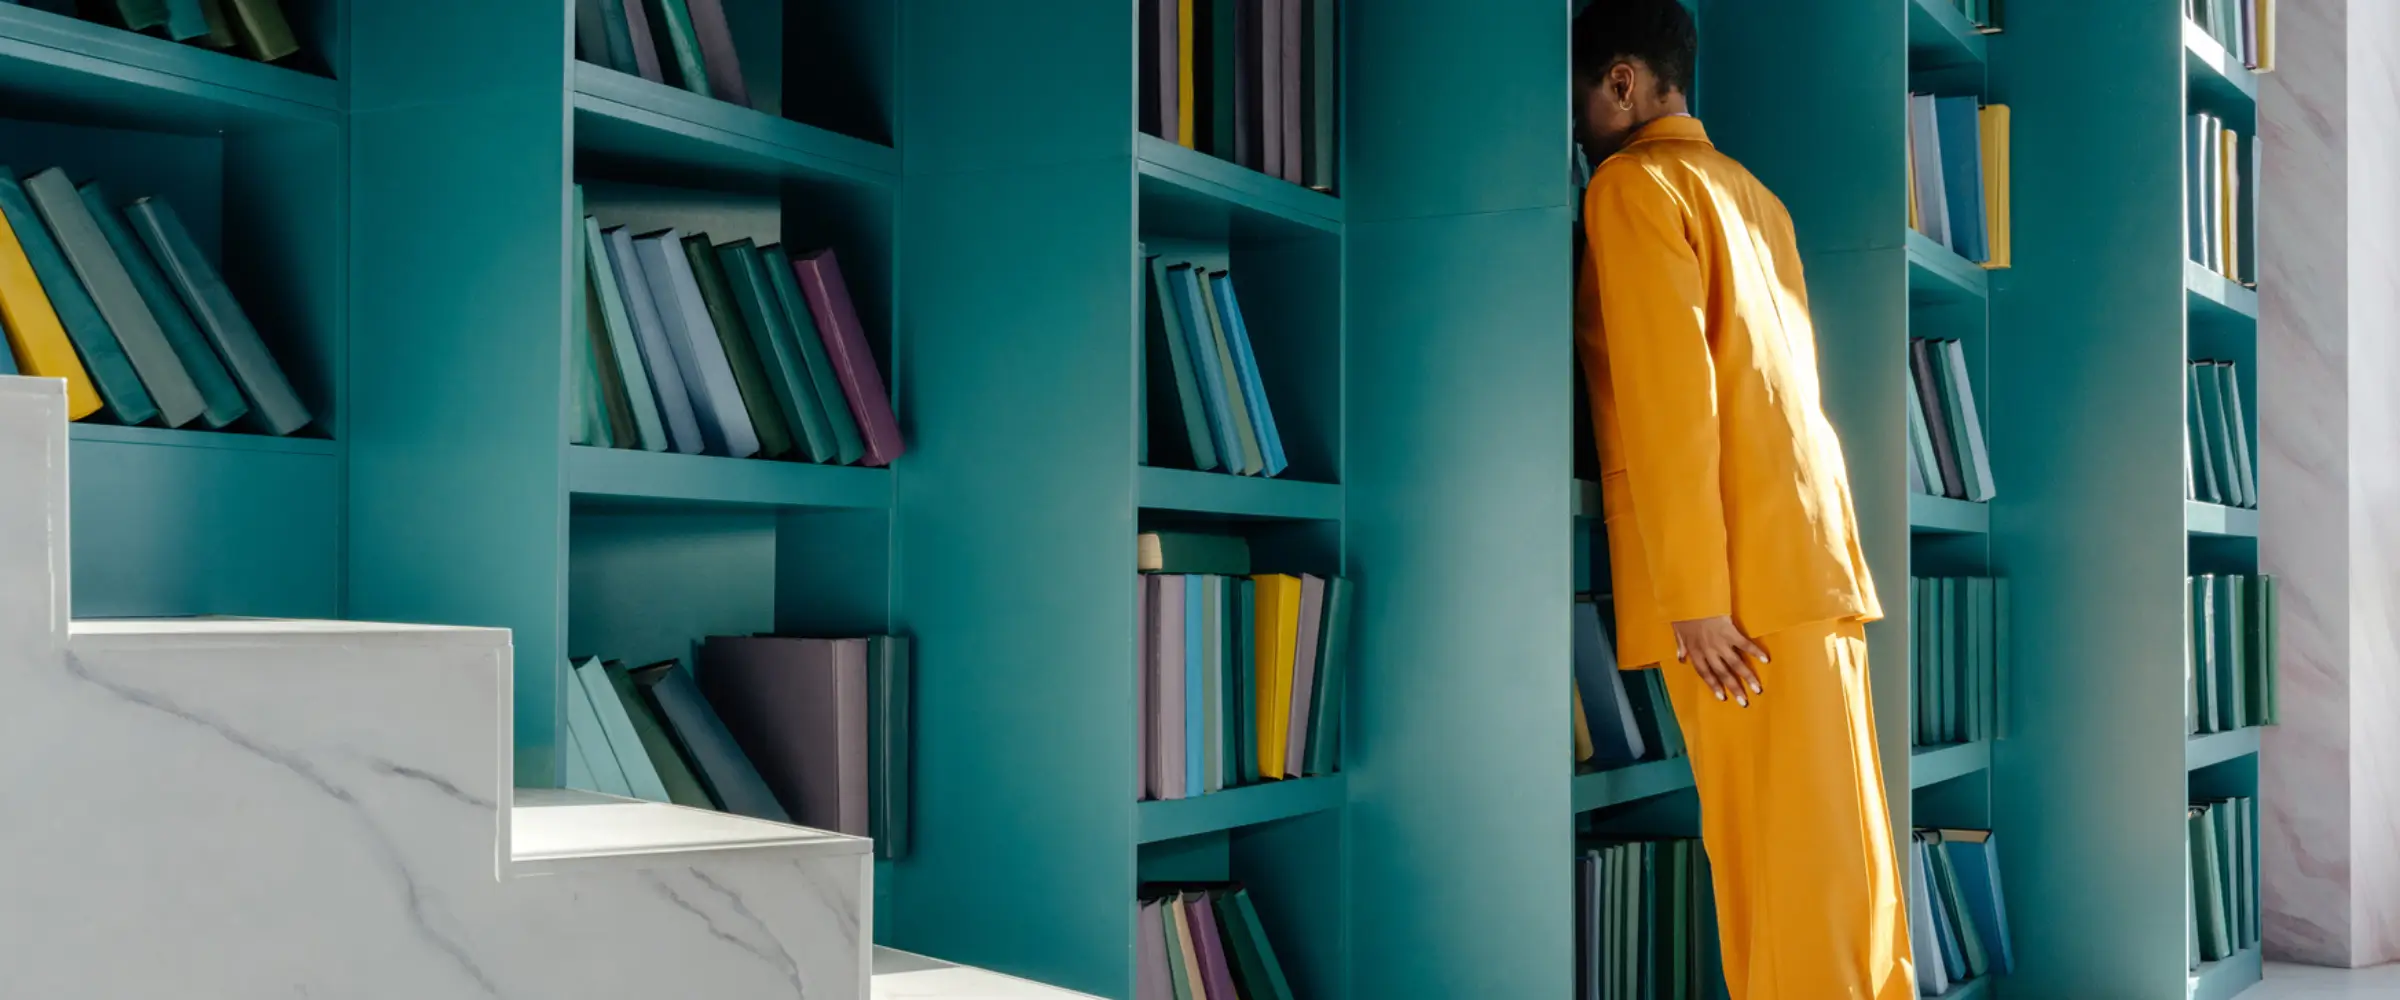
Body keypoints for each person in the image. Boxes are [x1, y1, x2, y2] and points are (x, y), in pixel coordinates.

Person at [1571, 2, 1915, 997]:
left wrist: (1694, 595)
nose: (1578, 124)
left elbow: (1673, 402)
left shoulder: (1633, 189)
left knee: (1780, 870)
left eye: (1582, 97)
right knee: (1847, 866)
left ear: (1625, 82)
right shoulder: (1755, 197)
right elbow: (1785, 386)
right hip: (1812, 563)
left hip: (1738, 596)